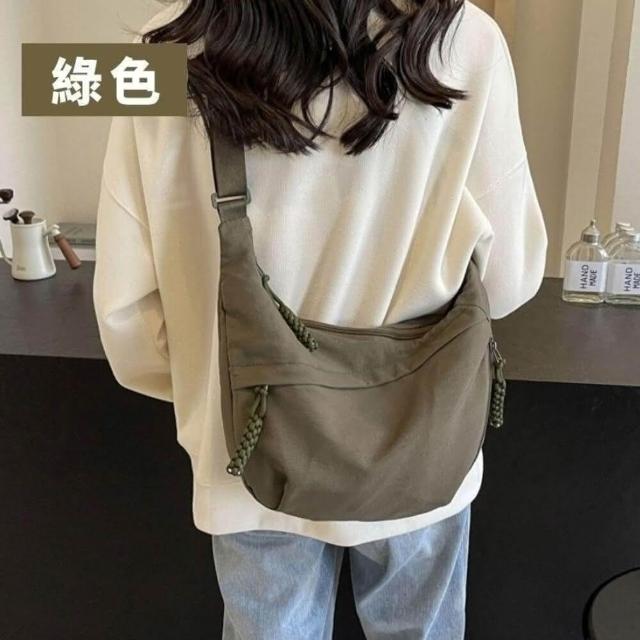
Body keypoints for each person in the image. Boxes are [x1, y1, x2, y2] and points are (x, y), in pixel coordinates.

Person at [92, 0, 548, 637]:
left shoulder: (163, 47)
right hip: (422, 438)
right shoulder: (466, 40)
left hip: (246, 450)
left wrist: (212, 388)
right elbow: (511, 277)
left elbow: (126, 307)